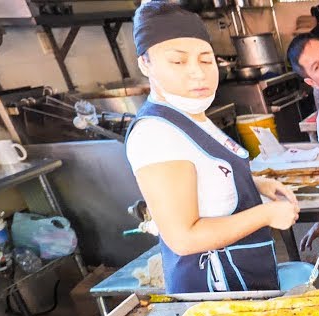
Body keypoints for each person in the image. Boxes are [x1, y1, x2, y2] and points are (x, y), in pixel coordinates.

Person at [123, 2, 298, 294]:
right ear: (145, 63)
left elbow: (204, 177)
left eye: (205, 60)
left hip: (239, 278)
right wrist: (266, 215)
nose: (197, 73)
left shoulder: (191, 114)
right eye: (178, 62)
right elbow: (183, 238)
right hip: (212, 288)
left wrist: (256, 184)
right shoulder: (156, 134)